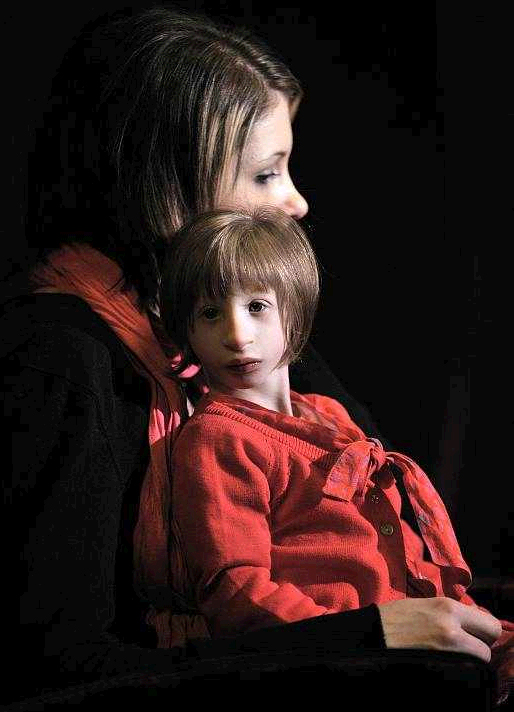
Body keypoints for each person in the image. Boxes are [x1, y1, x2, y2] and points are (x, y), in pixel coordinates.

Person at [1, 4, 510, 708]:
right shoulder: (62, 365)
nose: (297, 202)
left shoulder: (240, 341)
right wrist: (369, 637)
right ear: (167, 190)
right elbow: (55, 669)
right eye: (267, 174)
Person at [159, 204, 514, 689]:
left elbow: (403, 557)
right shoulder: (218, 438)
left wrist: (485, 632)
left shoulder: (329, 414)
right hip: (348, 666)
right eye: (210, 313)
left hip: (424, 642)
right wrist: (358, 636)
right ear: (187, 331)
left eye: (257, 306)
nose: (237, 335)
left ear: (293, 310)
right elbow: (237, 593)